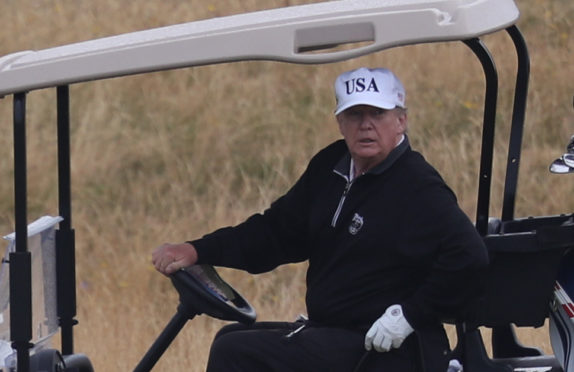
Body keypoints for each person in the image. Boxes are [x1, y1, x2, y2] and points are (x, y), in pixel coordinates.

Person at [152, 67, 489, 371]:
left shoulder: (417, 184)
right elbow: (276, 234)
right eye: (355, 115)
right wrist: (199, 251)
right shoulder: (331, 166)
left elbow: (469, 256)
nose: (366, 124)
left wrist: (409, 315)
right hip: (337, 335)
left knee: (237, 352)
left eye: (378, 113)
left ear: (400, 120)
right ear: (340, 122)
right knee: (230, 337)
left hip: (390, 347)